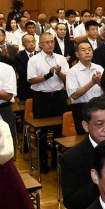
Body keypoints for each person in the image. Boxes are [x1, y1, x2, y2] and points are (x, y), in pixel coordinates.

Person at [27, 32, 70, 173]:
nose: (50, 44)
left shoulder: (60, 58)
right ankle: (43, 162)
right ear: (40, 44)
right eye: (46, 42)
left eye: (52, 41)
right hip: (41, 98)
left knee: (59, 130)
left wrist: (58, 73)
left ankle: (56, 161)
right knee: (42, 133)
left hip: (58, 97)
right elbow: (31, 80)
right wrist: (49, 75)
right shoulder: (34, 60)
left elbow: (67, 79)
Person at [66, 40, 103, 135]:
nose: (87, 52)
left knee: (102, 135)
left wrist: (100, 83)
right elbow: (74, 95)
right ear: (77, 54)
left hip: (100, 106)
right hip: (81, 109)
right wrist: (92, 82)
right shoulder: (72, 72)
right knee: (85, 137)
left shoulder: (99, 68)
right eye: (83, 50)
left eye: (89, 49)